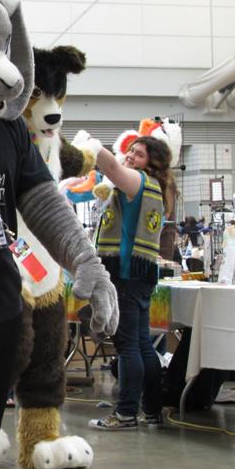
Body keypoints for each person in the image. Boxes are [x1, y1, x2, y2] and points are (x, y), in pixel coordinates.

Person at [89, 135, 174, 430]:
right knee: (142, 344)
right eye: (131, 150)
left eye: (139, 154)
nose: (130, 156)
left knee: (127, 345)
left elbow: (111, 167)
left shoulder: (138, 181)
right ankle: (151, 410)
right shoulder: (155, 186)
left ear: (153, 163)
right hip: (141, 274)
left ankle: (126, 413)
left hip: (125, 274)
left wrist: (90, 144)